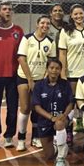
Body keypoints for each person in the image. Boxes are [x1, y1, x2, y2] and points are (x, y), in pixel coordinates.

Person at [16, 15, 57, 151]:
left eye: (47, 24)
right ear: (37, 24)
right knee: (25, 107)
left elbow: (51, 63)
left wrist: (45, 77)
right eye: (42, 23)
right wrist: (30, 79)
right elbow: (22, 59)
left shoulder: (50, 42)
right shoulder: (27, 38)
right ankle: (21, 138)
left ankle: (36, 136)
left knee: (38, 109)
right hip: (24, 77)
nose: (45, 26)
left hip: (41, 80)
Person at [0, 1, 24, 149]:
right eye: (4, 9)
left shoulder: (18, 30)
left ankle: (9, 135)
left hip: (13, 76)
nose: (7, 11)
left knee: (12, 107)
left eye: (9, 9)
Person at [58, 4, 84, 138]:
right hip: (73, 73)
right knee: (71, 102)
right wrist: (63, 73)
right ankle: (68, 131)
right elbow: (62, 53)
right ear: (71, 16)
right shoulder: (66, 31)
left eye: (81, 13)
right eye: (76, 14)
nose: (79, 16)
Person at [32, 59, 73, 166]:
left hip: (61, 119)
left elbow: (71, 103)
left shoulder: (65, 84)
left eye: (57, 68)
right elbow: (37, 107)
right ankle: (60, 144)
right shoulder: (39, 86)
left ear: (60, 71)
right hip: (45, 121)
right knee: (49, 155)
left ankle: (61, 159)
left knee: (59, 124)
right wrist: (51, 117)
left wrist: (64, 115)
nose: (54, 71)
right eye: (52, 68)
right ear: (47, 69)